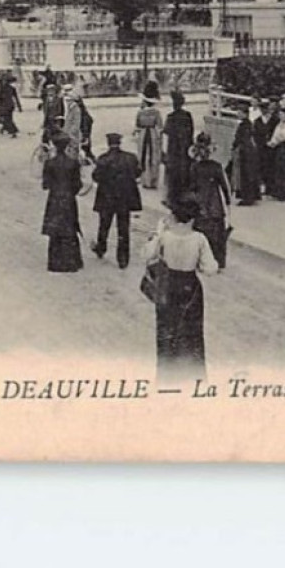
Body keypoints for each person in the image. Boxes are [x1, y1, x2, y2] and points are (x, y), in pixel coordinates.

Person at [144, 197, 218, 382]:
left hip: (168, 286)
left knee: (166, 332)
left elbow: (146, 255)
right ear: (193, 219)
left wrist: (159, 232)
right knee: (191, 334)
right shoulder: (199, 239)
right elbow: (211, 269)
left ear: (175, 217)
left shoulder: (165, 237)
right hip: (190, 287)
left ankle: (166, 378)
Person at [91, 132, 142, 268]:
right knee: (123, 228)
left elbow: (96, 177)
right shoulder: (130, 158)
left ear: (108, 143)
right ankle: (123, 258)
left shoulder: (103, 159)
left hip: (107, 197)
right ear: (119, 143)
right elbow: (138, 173)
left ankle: (101, 248)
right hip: (124, 199)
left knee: (104, 225)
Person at [188, 132, 232, 268]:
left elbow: (192, 186)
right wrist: (228, 202)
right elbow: (225, 187)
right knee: (217, 233)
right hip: (214, 202)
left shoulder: (195, 167)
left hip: (200, 201)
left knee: (200, 231)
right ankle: (218, 261)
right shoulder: (216, 166)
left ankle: (200, 260)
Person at [41, 131, 84, 273]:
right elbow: (78, 185)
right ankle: (71, 261)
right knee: (70, 228)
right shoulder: (73, 163)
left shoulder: (49, 163)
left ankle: (55, 262)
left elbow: (45, 184)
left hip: (54, 199)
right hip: (69, 199)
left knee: (55, 231)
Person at [163, 90, 195, 205]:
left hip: (174, 149)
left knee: (173, 173)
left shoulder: (170, 117)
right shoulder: (187, 116)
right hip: (185, 148)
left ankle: (172, 197)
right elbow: (191, 131)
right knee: (185, 170)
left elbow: (166, 132)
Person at [231, 101, 263, 206]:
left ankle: (247, 197)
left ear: (244, 113)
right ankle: (252, 195)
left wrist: (236, 146)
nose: (237, 114)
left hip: (245, 152)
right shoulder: (248, 124)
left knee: (246, 175)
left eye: (239, 112)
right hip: (249, 151)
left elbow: (241, 139)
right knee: (250, 174)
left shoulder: (244, 125)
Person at [134, 96, 163, 189]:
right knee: (153, 156)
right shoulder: (156, 112)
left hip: (143, 134)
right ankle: (153, 180)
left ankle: (144, 180)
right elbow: (160, 125)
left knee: (143, 155)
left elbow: (137, 125)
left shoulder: (140, 112)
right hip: (153, 134)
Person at [254, 97, 278, 196]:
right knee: (262, 166)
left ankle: (271, 187)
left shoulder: (274, 120)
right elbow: (255, 134)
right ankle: (263, 186)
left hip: (272, 146)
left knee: (271, 166)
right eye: (262, 109)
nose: (264, 111)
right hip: (261, 147)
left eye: (265, 109)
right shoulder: (257, 121)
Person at [0, 72, 22, 137]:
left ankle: (13, 131)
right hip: (11, 106)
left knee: (6, 119)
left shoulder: (3, 88)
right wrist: (19, 106)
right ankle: (5, 129)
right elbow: (16, 97)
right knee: (8, 118)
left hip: (4, 106)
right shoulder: (12, 88)